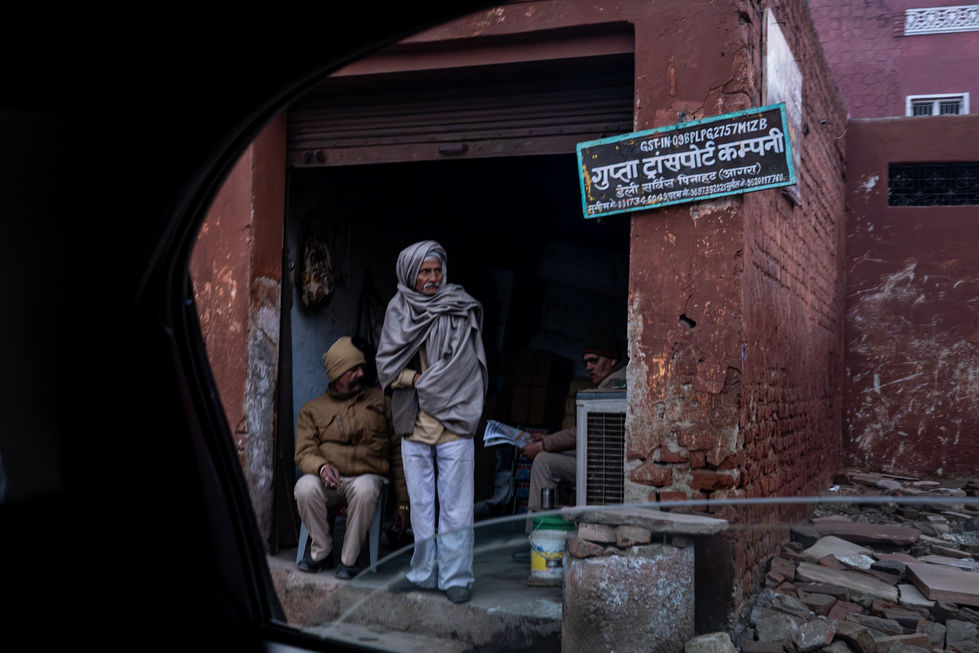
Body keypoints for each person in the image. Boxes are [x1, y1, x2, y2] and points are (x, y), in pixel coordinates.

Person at [375, 240, 487, 604]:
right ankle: (423, 573)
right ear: (410, 273)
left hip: (454, 421)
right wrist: (417, 379)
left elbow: (464, 367)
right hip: (414, 423)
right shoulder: (398, 310)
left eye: (437, 271)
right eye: (425, 271)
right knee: (421, 507)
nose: (433, 278)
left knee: (456, 508)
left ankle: (456, 577)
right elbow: (386, 368)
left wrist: (427, 383)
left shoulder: (459, 306)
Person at [294, 336, 409, 579]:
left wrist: (403, 502)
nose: (361, 374)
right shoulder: (311, 410)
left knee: (365, 488)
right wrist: (321, 467)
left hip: (367, 479)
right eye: (353, 369)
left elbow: (399, 452)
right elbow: (304, 452)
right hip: (330, 483)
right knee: (304, 486)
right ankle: (322, 551)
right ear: (336, 374)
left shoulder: (381, 402)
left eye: (361, 368)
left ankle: (349, 560)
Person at [520, 324, 627, 513]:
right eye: (586, 362)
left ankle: (540, 527)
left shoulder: (614, 386)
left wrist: (543, 446)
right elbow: (586, 432)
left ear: (612, 360)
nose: (588, 367)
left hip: (608, 467)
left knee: (543, 461)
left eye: (594, 361)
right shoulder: (612, 381)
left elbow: (582, 432)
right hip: (601, 458)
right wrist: (548, 439)